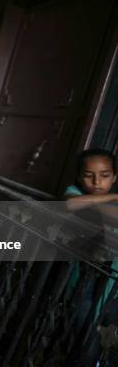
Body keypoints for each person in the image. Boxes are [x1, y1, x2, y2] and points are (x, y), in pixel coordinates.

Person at [64, 148, 118, 365]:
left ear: (114, 177)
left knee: (108, 333)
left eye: (105, 176)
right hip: (85, 278)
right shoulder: (74, 191)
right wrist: (113, 196)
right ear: (79, 177)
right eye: (89, 175)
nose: (97, 182)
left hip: (112, 280)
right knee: (85, 329)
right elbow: (70, 204)